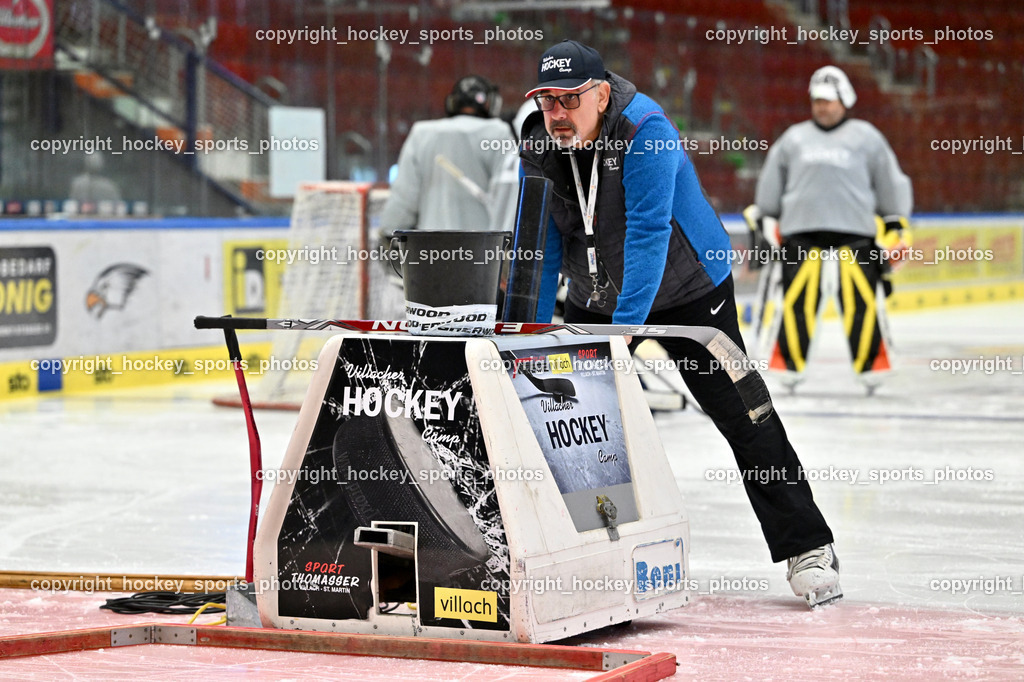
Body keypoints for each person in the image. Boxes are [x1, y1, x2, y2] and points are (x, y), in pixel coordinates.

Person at [520, 39, 840, 608]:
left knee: (746, 414)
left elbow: (648, 235)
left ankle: (807, 546)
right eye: (546, 102)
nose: (556, 115)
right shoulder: (539, 140)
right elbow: (539, 243)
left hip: (691, 289)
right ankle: (597, 552)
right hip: (597, 295)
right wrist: (526, 331)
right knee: (580, 428)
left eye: (568, 100)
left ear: (599, 93)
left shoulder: (647, 130)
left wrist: (621, 338)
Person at [751, 65, 913, 393]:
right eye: (817, 100)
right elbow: (770, 187)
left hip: (855, 235)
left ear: (844, 99)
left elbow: (890, 183)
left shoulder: (868, 138)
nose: (822, 106)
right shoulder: (793, 139)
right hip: (800, 235)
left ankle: (872, 366)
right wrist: (766, 217)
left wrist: (896, 219)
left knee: (863, 303)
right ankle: (788, 365)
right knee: (796, 303)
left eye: (828, 100)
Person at [380, 74, 517, 233]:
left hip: (429, 249)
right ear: (489, 103)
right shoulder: (499, 133)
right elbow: (508, 197)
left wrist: (389, 232)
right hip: (482, 249)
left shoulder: (421, 134)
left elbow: (404, 198)